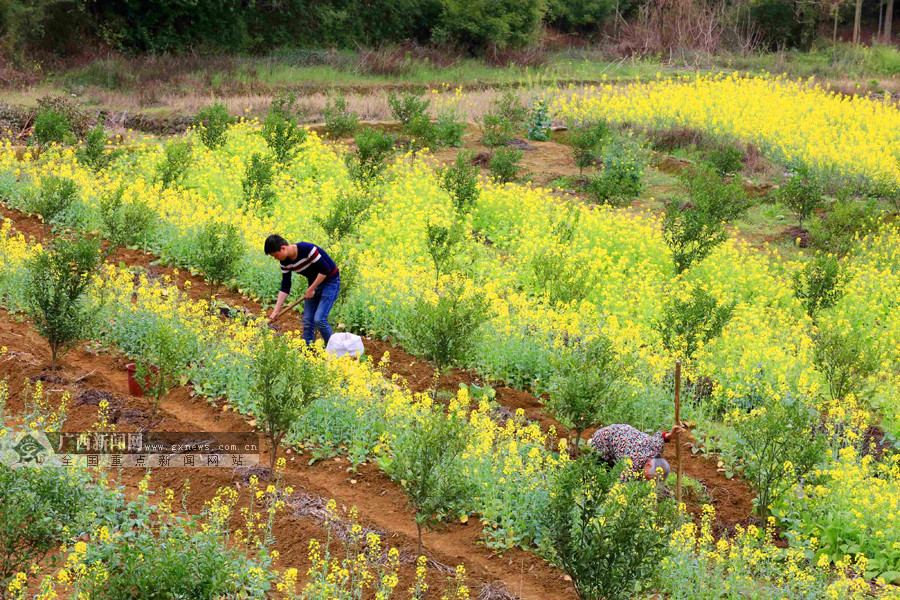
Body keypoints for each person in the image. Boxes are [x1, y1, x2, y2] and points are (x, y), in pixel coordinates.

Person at [264, 234, 340, 346]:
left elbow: (325, 270)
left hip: (330, 282)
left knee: (319, 319)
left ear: (283, 248)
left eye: (275, 255)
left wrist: (312, 288)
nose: (275, 258)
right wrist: (276, 311)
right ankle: (306, 351)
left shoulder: (307, 249)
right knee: (308, 320)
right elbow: (285, 286)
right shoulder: (285, 262)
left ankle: (335, 351)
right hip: (314, 284)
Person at [588, 423, 684, 481]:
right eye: (651, 477)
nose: (651, 480)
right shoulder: (631, 464)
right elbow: (620, 483)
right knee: (602, 472)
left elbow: (660, 437)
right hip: (603, 438)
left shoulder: (657, 448)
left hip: (622, 433)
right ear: (649, 464)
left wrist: (670, 435)